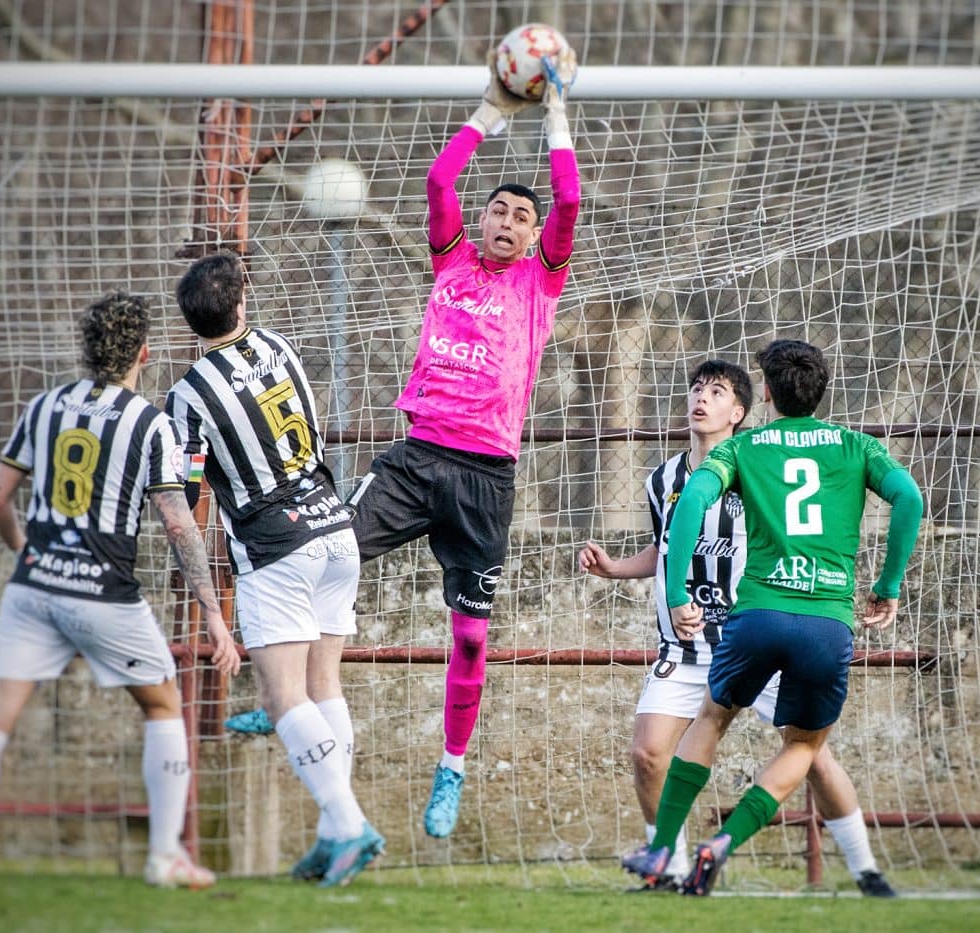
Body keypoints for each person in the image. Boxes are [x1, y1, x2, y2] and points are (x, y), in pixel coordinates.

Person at [344, 49, 580, 839]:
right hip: (416, 458)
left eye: (522, 214)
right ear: (480, 222)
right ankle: (295, 700)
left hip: (486, 475)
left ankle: (452, 768)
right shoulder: (449, 259)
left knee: (472, 635)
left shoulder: (540, 280)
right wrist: (490, 108)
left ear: (534, 232)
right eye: (499, 212)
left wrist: (552, 113)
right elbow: (439, 183)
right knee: (327, 554)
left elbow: (570, 199)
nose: (508, 221)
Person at [0, 291, 239, 891]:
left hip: (34, 586)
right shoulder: (150, 423)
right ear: (143, 352)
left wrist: (23, 550)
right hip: (104, 593)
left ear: (86, 350)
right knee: (162, 706)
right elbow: (180, 525)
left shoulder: (45, 405)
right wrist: (213, 615)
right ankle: (164, 857)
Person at [580, 359, 897, 896]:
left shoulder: (758, 467)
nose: (701, 398)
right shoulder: (663, 478)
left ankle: (865, 867)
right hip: (686, 642)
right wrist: (616, 568)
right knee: (648, 752)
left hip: (750, 633)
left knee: (814, 755)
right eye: (696, 388)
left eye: (717, 391)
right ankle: (672, 864)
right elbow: (664, 550)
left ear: (742, 410)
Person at [166, 252, 381, 887]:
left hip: (274, 547)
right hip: (335, 529)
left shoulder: (188, 395)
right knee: (325, 689)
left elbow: (188, 494)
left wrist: (206, 596)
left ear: (190, 322)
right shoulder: (278, 345)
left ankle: (349, 826)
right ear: (239, 306)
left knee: (283, 695)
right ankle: (330, 837)